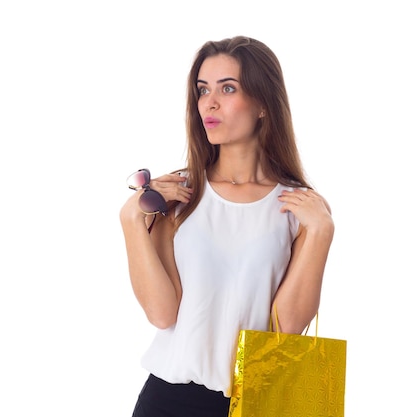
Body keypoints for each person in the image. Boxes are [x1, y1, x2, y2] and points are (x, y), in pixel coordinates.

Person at [120, 35, 335, 417]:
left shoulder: (298, 207)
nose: (210, 103)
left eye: (228, 88)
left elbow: (286, 330)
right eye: (203, 90)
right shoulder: (180, 195)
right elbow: (162, 314)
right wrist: (131, 220)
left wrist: (320, 234)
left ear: (264, 104)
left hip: (256, 402)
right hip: (168, 400)